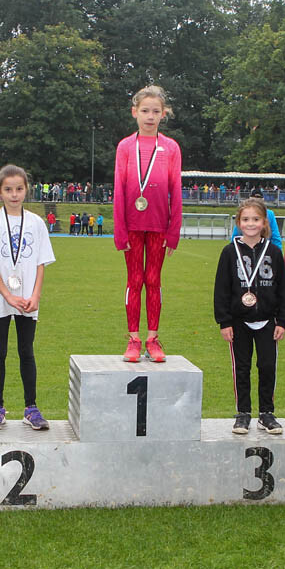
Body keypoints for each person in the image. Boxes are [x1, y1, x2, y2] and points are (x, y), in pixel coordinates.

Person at [0, 165, 56, 432]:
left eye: (19, 189)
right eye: (8, 189)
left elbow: (41, 263)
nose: (14, 194)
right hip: (0, 297)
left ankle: (31, 408)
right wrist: (7, 295)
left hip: (28, 298)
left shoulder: (36, 223)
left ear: (26, 190)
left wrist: (36, 295)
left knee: (26, 351)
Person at [113, 84, 183, 362]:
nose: (150, 116)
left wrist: (173, 231)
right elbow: (119, 189)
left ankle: (153, 338)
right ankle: (133, 339)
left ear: (163, 114)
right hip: (131, 225)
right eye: (145, 111)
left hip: (158, 225)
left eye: (155, 111)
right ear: (135, 113)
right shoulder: (125, 147)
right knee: (135, 280)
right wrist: (119, 231)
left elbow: (176, 190)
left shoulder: (171, 148)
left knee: (153, 280)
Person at [214, 199, 285, 435]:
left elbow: (282, 288)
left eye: (256, 219)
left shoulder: (274, 252)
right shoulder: (229, 252)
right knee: (242, 368)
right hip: (238, 322)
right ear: (238, 222)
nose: (251, 224)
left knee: (267, 367)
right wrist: (224, 321)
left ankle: (266, 413)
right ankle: (243, 414)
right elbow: (221, 289)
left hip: (267, 321)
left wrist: (282, 321)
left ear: (264, 223)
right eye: (245, 219)